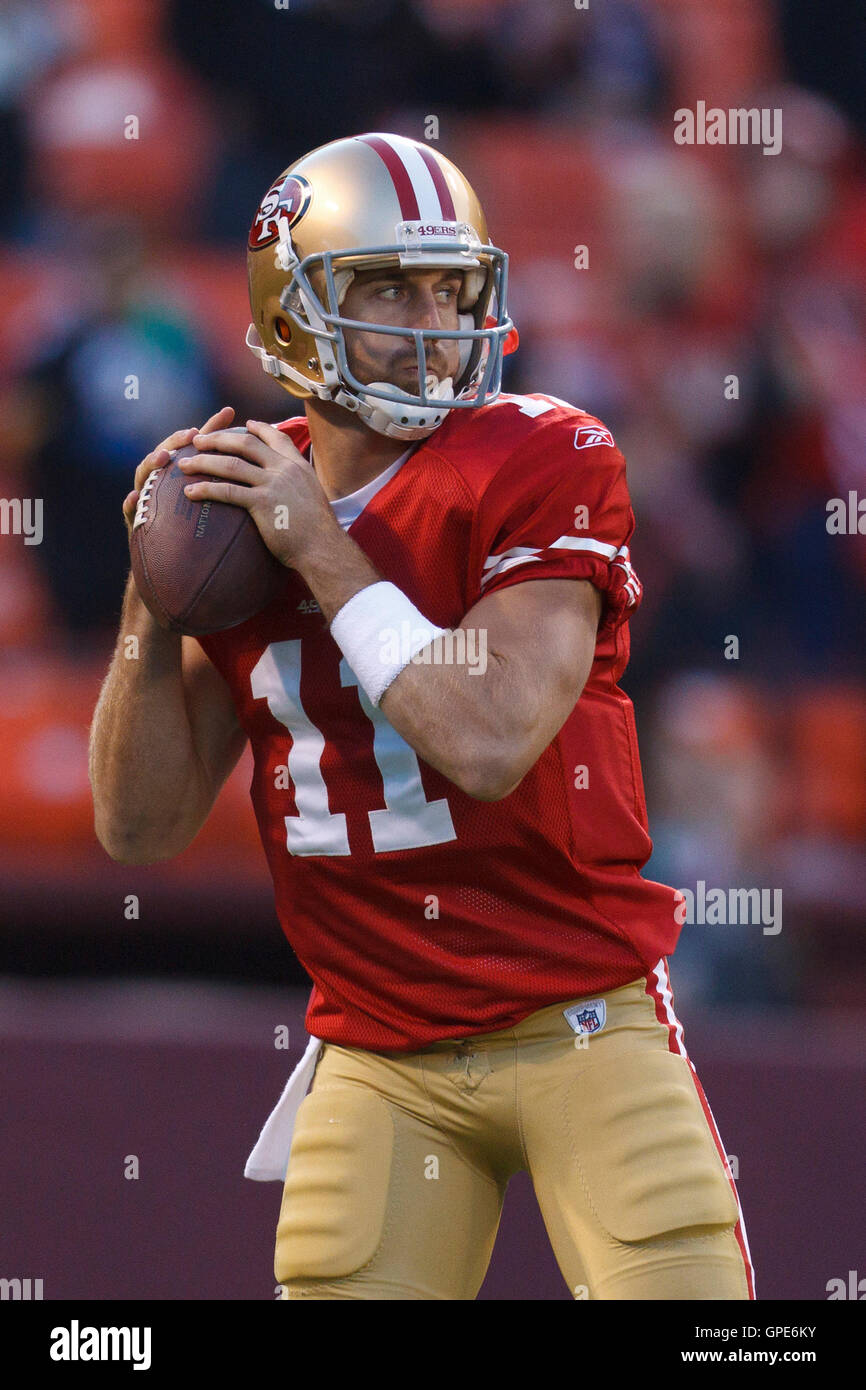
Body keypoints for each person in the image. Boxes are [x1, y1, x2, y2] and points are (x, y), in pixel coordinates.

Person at [89, 132, 755, 1301]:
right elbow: (137, 830)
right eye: (388, 284)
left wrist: (327, 554)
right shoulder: (239, 508)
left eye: (450, 285)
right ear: (292, 309)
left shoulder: (542, 455)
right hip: (376, 1046)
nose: (430, 315)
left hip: (577, 1020)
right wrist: (151, 611)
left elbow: (489, 743)